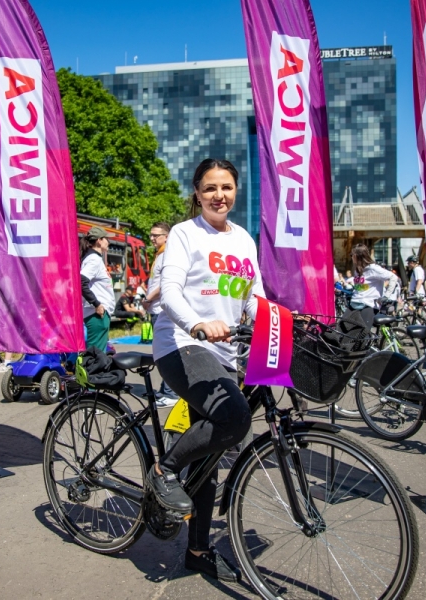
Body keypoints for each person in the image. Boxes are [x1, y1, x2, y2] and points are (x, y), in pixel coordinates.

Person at [149, 158, 262, 583]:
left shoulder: (244, 239)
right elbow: (170, 291)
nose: (219, 195)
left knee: (210, 457)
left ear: (235, 191)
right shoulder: (185, 233)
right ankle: (164, 470)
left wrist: (283, 322)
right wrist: (197, 323)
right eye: (210, 188)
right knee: (233, 419)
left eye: (226, 187)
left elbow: (253, 298)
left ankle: (197, 551)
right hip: (183, 344)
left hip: (224, 353)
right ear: (197, 193)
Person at [141, 222, 179, 405]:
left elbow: (165, 284)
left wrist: (148, 298)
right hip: (156, 309)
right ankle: (166, 390)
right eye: (151, 235)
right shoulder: (160, 254)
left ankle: (171, 394)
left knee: (166, 352)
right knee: (162, 351)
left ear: (166, 236)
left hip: (161, 310)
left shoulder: (167, 255)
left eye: (156, 235)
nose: (152, 239)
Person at [79, 226, 116, 352]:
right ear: (99, 241)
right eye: (106, 239)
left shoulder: (95, 258)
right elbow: (81, 281)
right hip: (96, 313)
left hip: (97, 313)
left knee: (98, 353)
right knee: (96, 354)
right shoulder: (94, 259)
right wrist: (97, 304)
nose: (109, 242)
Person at [349, 244, 392, 312]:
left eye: (352, 255)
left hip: (369, 305)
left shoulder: (373, 268)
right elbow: (362, 287)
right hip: (355, 302)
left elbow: (393, 277)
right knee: (343, 319)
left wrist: (386, 296)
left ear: (358, 256)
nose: (351, 257)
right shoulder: (357, 270)